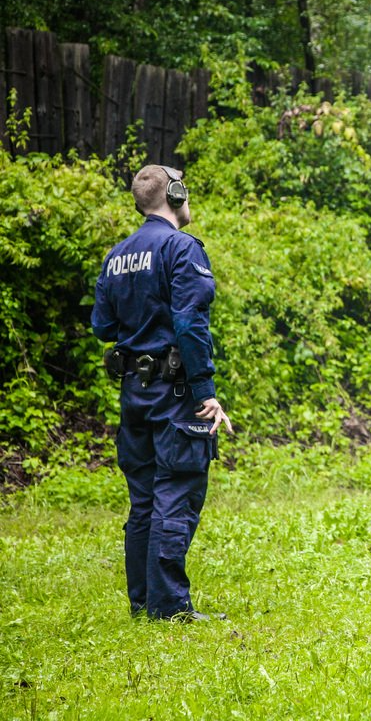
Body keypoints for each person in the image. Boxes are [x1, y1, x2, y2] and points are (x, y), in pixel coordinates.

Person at [92, 164, 233, 622]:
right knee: (177, 491)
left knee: (146, 498)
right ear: (173, 194)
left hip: (134, 391)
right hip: (175, 394)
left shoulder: (117, 256)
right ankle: (169, 609)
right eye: (184, 187)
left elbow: (103, 327)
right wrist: (205, 389)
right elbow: (191, 323)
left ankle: (142, 604)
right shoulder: (181, 247)